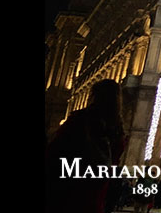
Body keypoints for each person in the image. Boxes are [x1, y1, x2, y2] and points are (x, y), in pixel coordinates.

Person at [46, 79, 128, 213]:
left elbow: (54, 151)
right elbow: (114, 161)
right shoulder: (118, 130)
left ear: (94, 96)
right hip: (95, 192)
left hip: (67, 189)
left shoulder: (80, 119)